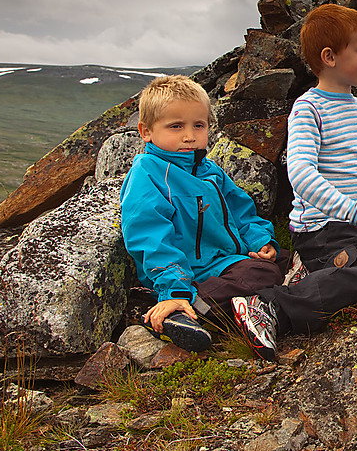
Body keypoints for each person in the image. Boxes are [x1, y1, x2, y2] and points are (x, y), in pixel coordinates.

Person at [233, 4, 357, 361]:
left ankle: (312, 272)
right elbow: (301, 174)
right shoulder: (308, 109)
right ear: (329, 57)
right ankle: (268, 306)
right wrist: (355, 211)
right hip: (322, 228)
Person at [120, 75, 287, 353]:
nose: (189, 136)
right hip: (185, 271)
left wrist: (260, 242)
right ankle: (179, 309)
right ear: (146, 131)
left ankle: (228, 306)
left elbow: (241, 211)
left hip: (225, 261)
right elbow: (151, 238)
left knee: (278, 258)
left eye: (199, 125)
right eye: (176, 126)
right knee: (262, 274)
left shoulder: (209, 170)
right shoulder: (148, 174)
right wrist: (174, 287)